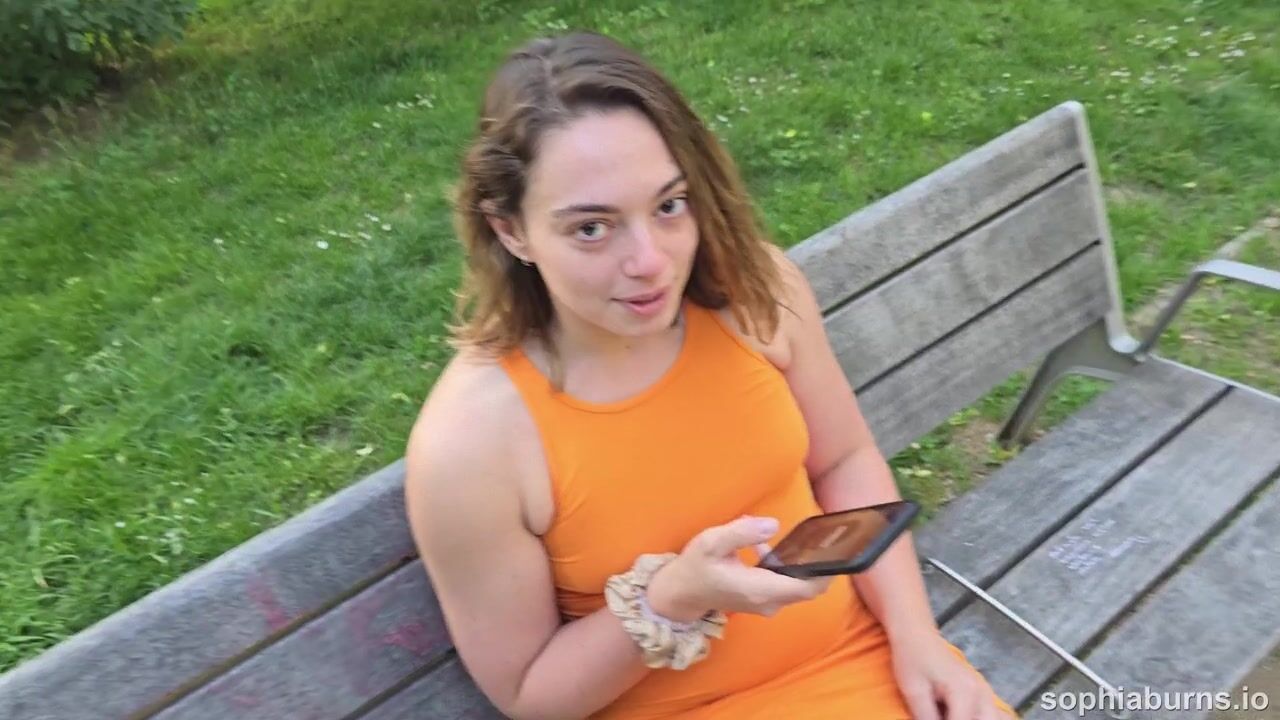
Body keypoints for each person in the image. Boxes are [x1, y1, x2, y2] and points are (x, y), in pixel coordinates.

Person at [404, 31, 1018, 720]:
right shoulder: (473, 442)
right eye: (592, 228)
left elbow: (845, 460)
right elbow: (530, 696)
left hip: (861, 661)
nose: (651, 262)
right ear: (510, 230)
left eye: (669, 205)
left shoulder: (752, 293)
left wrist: (917, 638)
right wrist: (673, 599)